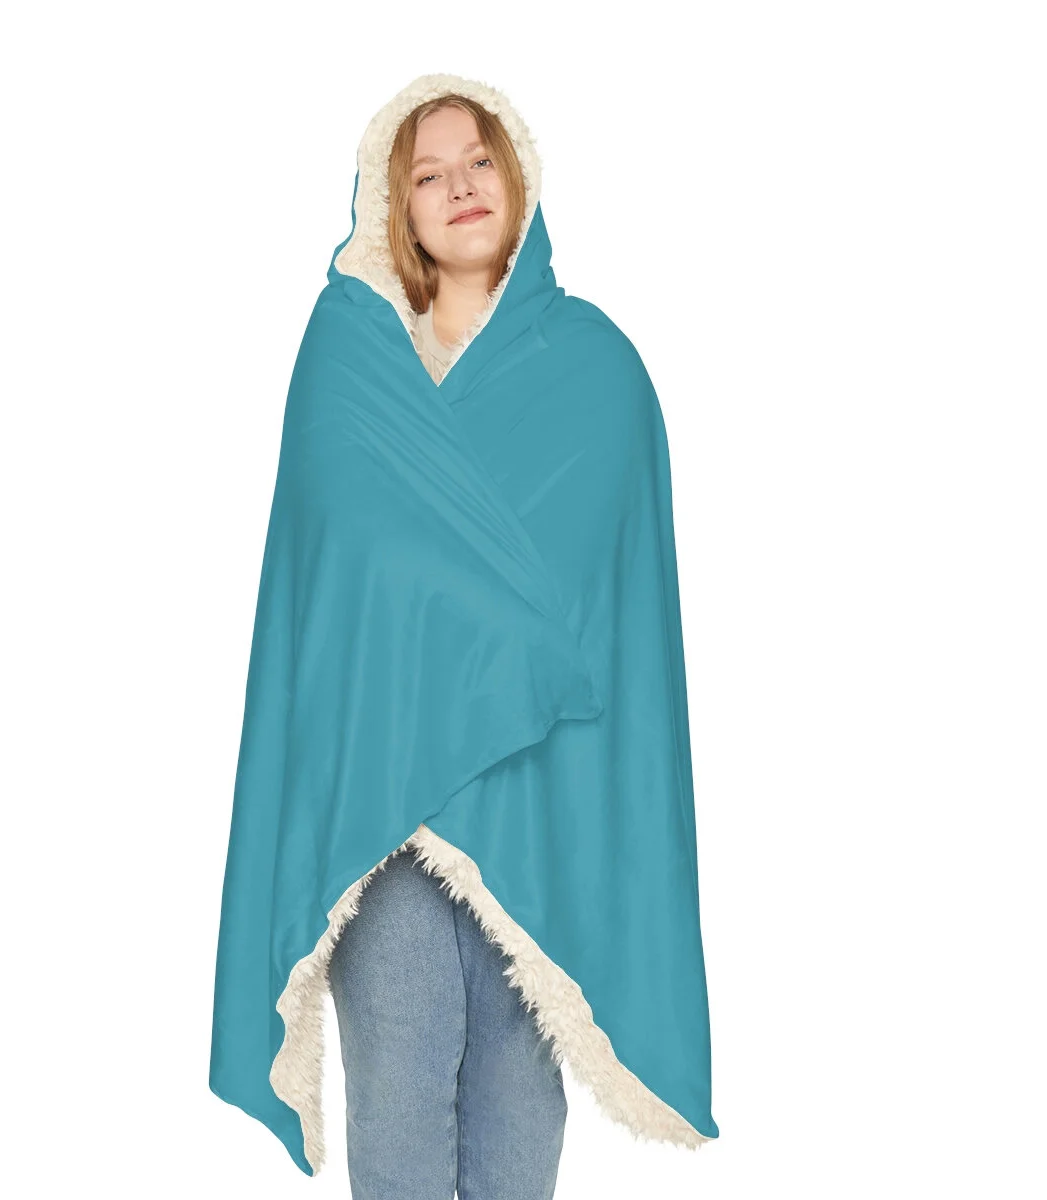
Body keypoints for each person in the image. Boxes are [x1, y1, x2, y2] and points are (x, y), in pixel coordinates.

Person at [210, 73, 719, 1197]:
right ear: (396, 206)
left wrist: (477, 609)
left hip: (536, 797)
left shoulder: (597, 368)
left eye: (478, 160)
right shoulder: (350, 364)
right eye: (428, 174)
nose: (460, 187)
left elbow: (598, 600)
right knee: (400, 1082)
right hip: (386, 804)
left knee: (519, 1104)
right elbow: (331, 587)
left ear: (517, 173)